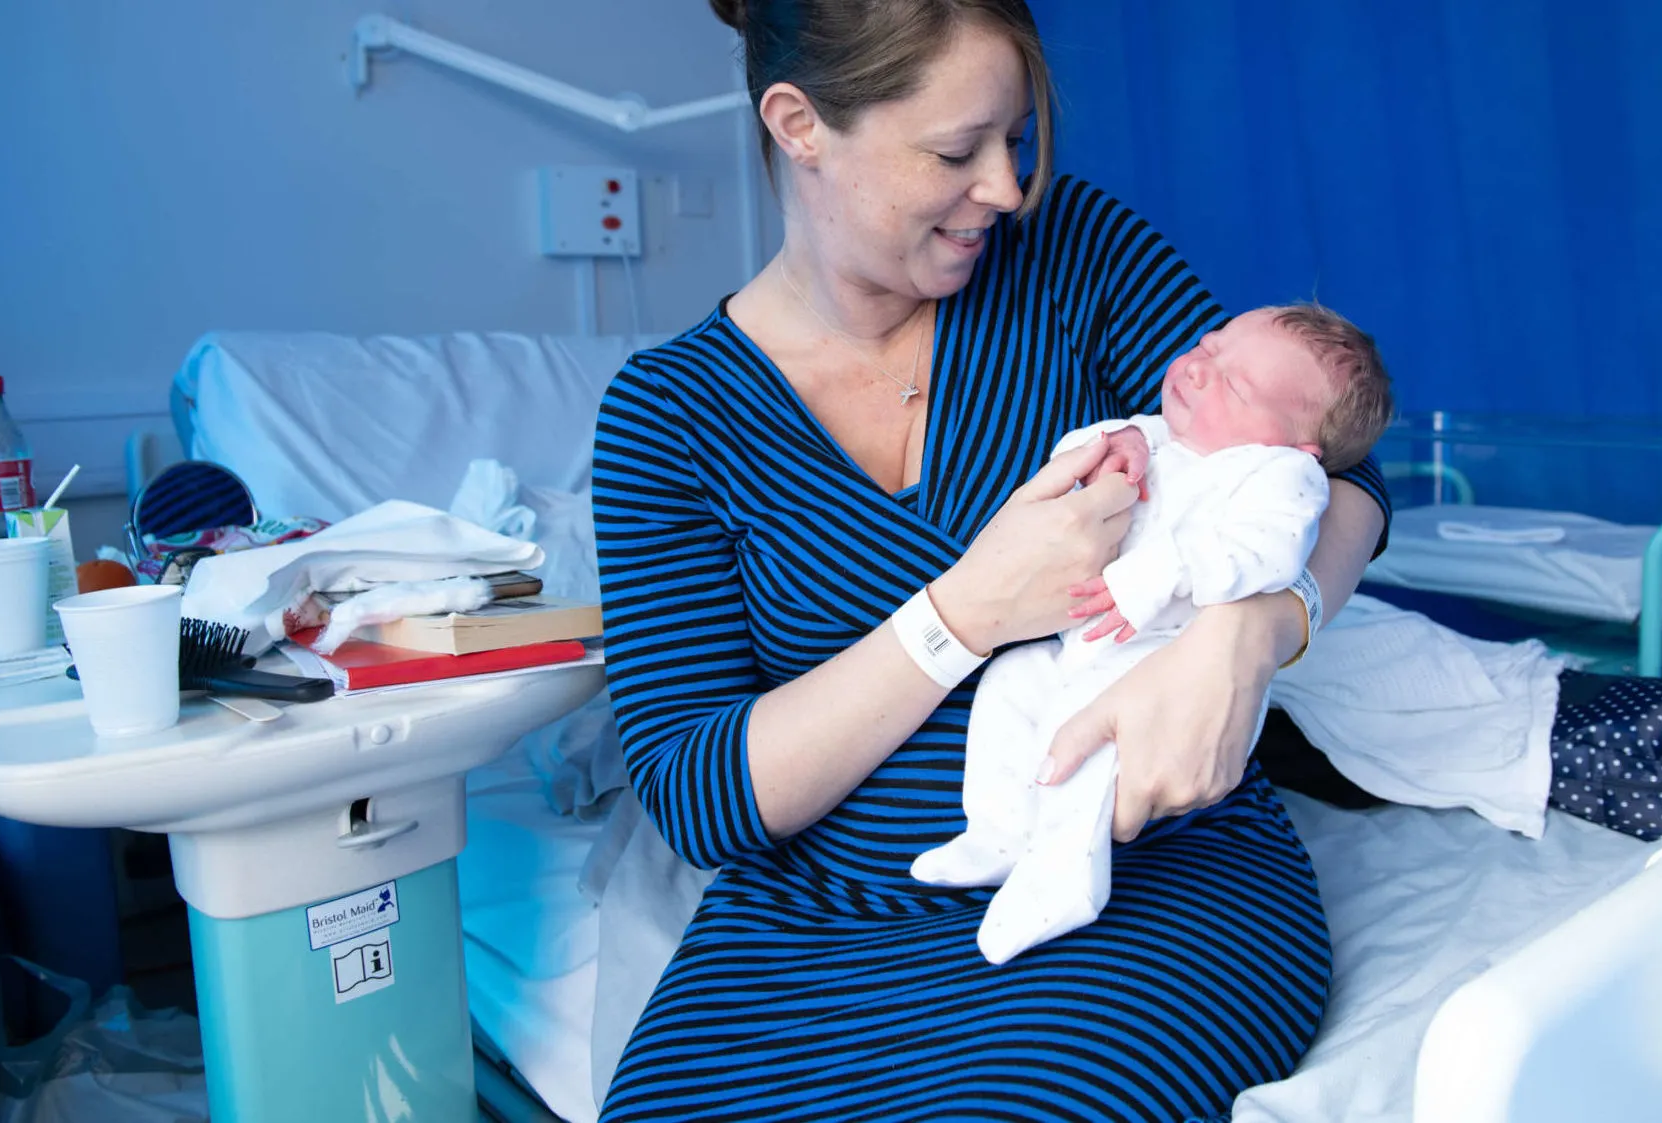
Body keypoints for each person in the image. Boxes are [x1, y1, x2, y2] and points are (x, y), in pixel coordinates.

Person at [591, 1, 1392, 1118]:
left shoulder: (1077, 256)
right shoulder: (670, 416)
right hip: (812, 936)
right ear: (798, 124)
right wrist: (962, 613)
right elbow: (693, 791)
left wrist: (1252, 632)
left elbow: (1334, 480)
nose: (1007, 188)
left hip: (1142, 883)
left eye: (1014, 141)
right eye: (956, 151)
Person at [912, 303, 1394, 966]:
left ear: (1296, 443)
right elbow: (1066, 464)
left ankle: (1061, 875)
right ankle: (995, 832)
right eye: (1209, 345)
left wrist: (1162, 571)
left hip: (1166, 661)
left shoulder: (1278, 477)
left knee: (1090, 743)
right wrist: (1112, 448)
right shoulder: (1154, 432)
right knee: (1009, 686)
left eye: (1235, 384)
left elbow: (1270, 555)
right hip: (1076, 645)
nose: (1198, 368)